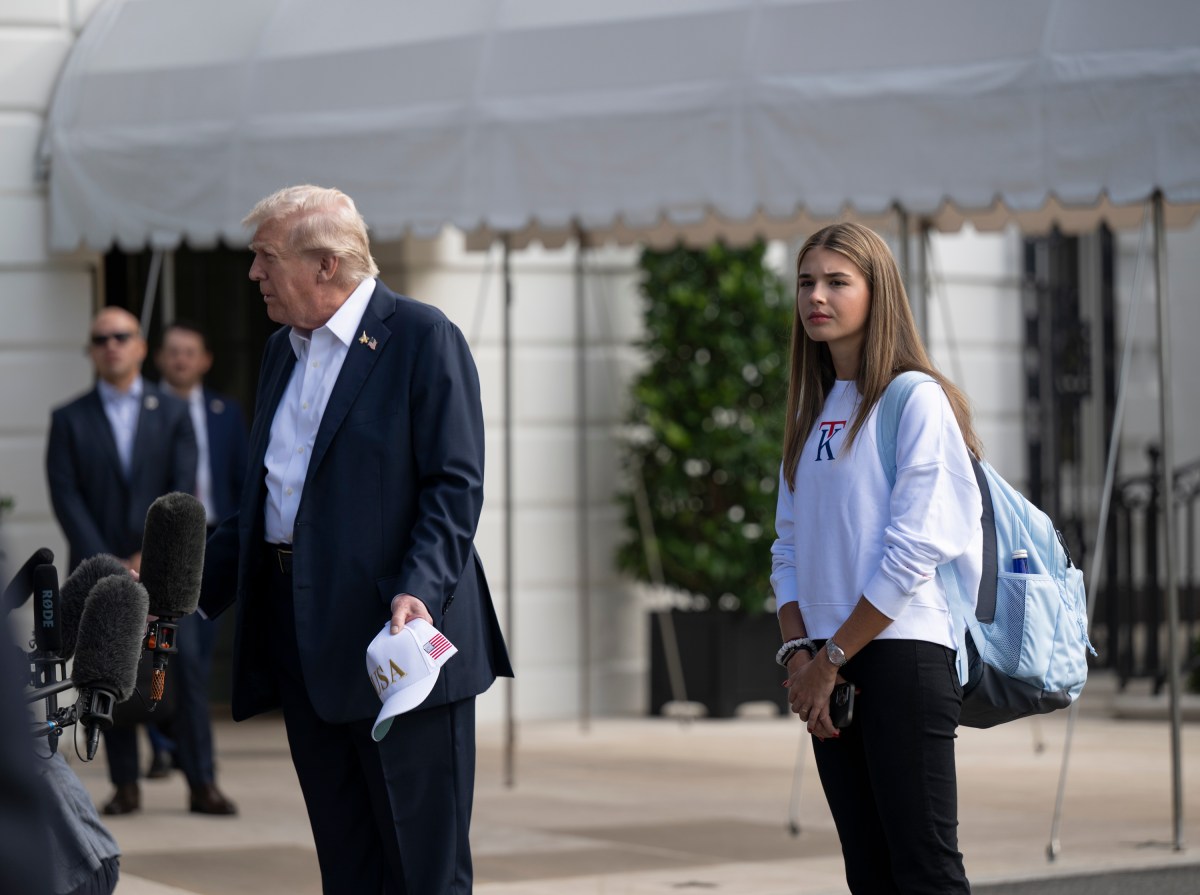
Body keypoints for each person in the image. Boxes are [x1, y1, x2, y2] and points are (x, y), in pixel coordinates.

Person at [201, 184, 512, 894]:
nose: (253, 275)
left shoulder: (422, 337)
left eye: (265, 258)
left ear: (326, 265)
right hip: (305, 644)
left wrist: (420, 588)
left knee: (420, 873)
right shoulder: (285, 350)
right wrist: (174, 589)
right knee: (347, 868)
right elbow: (269, 505)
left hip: (396, 647)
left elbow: (453, 486)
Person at [770, 222, 983, 893]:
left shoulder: (913, 398)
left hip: (902, 654)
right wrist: (802, 656)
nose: (816, 296)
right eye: (807, 281)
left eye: (837, 281)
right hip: (826, 665)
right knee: (869, 872)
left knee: (925, 870)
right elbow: (786, 549)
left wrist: (829, 661)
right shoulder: (811, 410)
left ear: (877, 291)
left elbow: (915, 547)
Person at [45, 306, 197, 817]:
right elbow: (65, 496)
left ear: (139, 346)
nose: (111, 344)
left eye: (121, 336)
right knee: (108, 674)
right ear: (91, 350)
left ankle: (203, 782)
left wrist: (148, 556)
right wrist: (108, 561)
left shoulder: (173, 411)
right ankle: (125, 785)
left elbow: (182, 484)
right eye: (101, 338)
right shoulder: (68, 418)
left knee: (185, 675)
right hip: (101, 570)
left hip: (164, 570)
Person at [139, 320, 248, 815]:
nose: (181, 360)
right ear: (160, 359)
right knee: (155, 658)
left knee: (196, 662)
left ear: (204, 360)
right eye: (173, 352)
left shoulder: (227, 412)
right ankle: (172, 749)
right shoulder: (145, 410)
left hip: (213, 544)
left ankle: (189, 762)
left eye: (191, 352)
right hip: (156, 545)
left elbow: (244, 478)